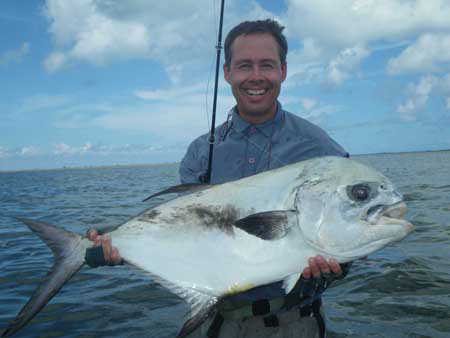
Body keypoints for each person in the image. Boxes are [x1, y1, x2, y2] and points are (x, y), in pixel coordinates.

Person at [87, 19, 350, 338]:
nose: (255, 77)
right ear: (227, 72)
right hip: (218, 324)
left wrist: (336, 268)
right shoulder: (201, 151)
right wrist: (118, 241)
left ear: (283, 70)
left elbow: (346, 235)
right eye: (244, 66)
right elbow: (183, 235)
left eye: (266, 65)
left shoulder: (321, 149)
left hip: (297, 324)